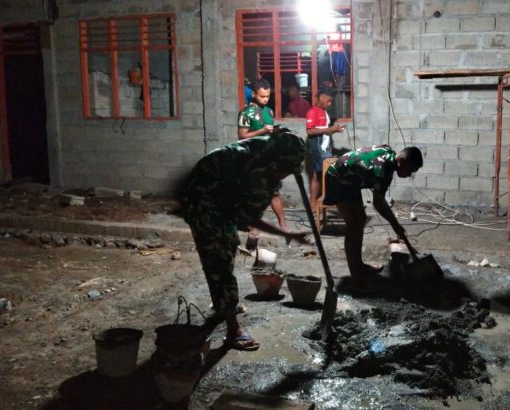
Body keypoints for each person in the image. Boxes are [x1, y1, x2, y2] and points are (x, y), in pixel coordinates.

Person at [180, 131, 311, 350]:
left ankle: (224, 304)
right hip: (202, 201)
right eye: (285, 169)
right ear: (275, 162)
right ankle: (233, 330)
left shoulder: (270, 150)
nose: (286, 175)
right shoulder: (254, 171)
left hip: (222, 196)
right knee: (218, 260)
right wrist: (286, 233)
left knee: (228, 247)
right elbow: (248, 219)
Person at [323, 145, 423, 292]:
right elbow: (379, 203)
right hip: (338, 178)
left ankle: (359, 265)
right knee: (353, 224)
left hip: (351, 179)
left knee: (360, 219)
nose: (409, 175)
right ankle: (356, 278)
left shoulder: (389, 155)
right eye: (410, 170)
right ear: (401, 161)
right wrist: (395, 225)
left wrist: (395, 225)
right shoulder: (382, 171)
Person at [238, 79, 287, 250]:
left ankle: (283, 225)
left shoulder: (269, 111)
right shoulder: (246, 113)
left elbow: (270, 133)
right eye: (262, 96)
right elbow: (242, 136)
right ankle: (254, 229)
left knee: (274, 192)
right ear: (254, 94)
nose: (265, 99)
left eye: (267, 96)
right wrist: (262, 131)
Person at [305, 85, 344, 213]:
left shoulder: (324, 112)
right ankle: (330, 203)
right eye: (329, 100)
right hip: (318, 149)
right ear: (321, 97)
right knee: (328, 175)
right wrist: (329, 129)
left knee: (317, 176)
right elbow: (310, 131)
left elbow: (323, 131)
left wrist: (334, 130)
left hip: (325, 148)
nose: (330, 103)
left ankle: (314, 205)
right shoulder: (312, 111)